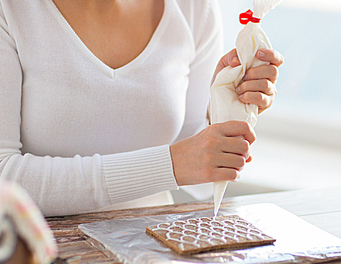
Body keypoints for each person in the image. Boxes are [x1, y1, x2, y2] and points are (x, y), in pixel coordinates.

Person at [0, 0, 283, 216]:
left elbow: (199, 180)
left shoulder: (193, 8)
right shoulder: (11, 10)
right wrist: (169, 165)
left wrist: (228, 107)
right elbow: (4, 178)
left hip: (155, 253)